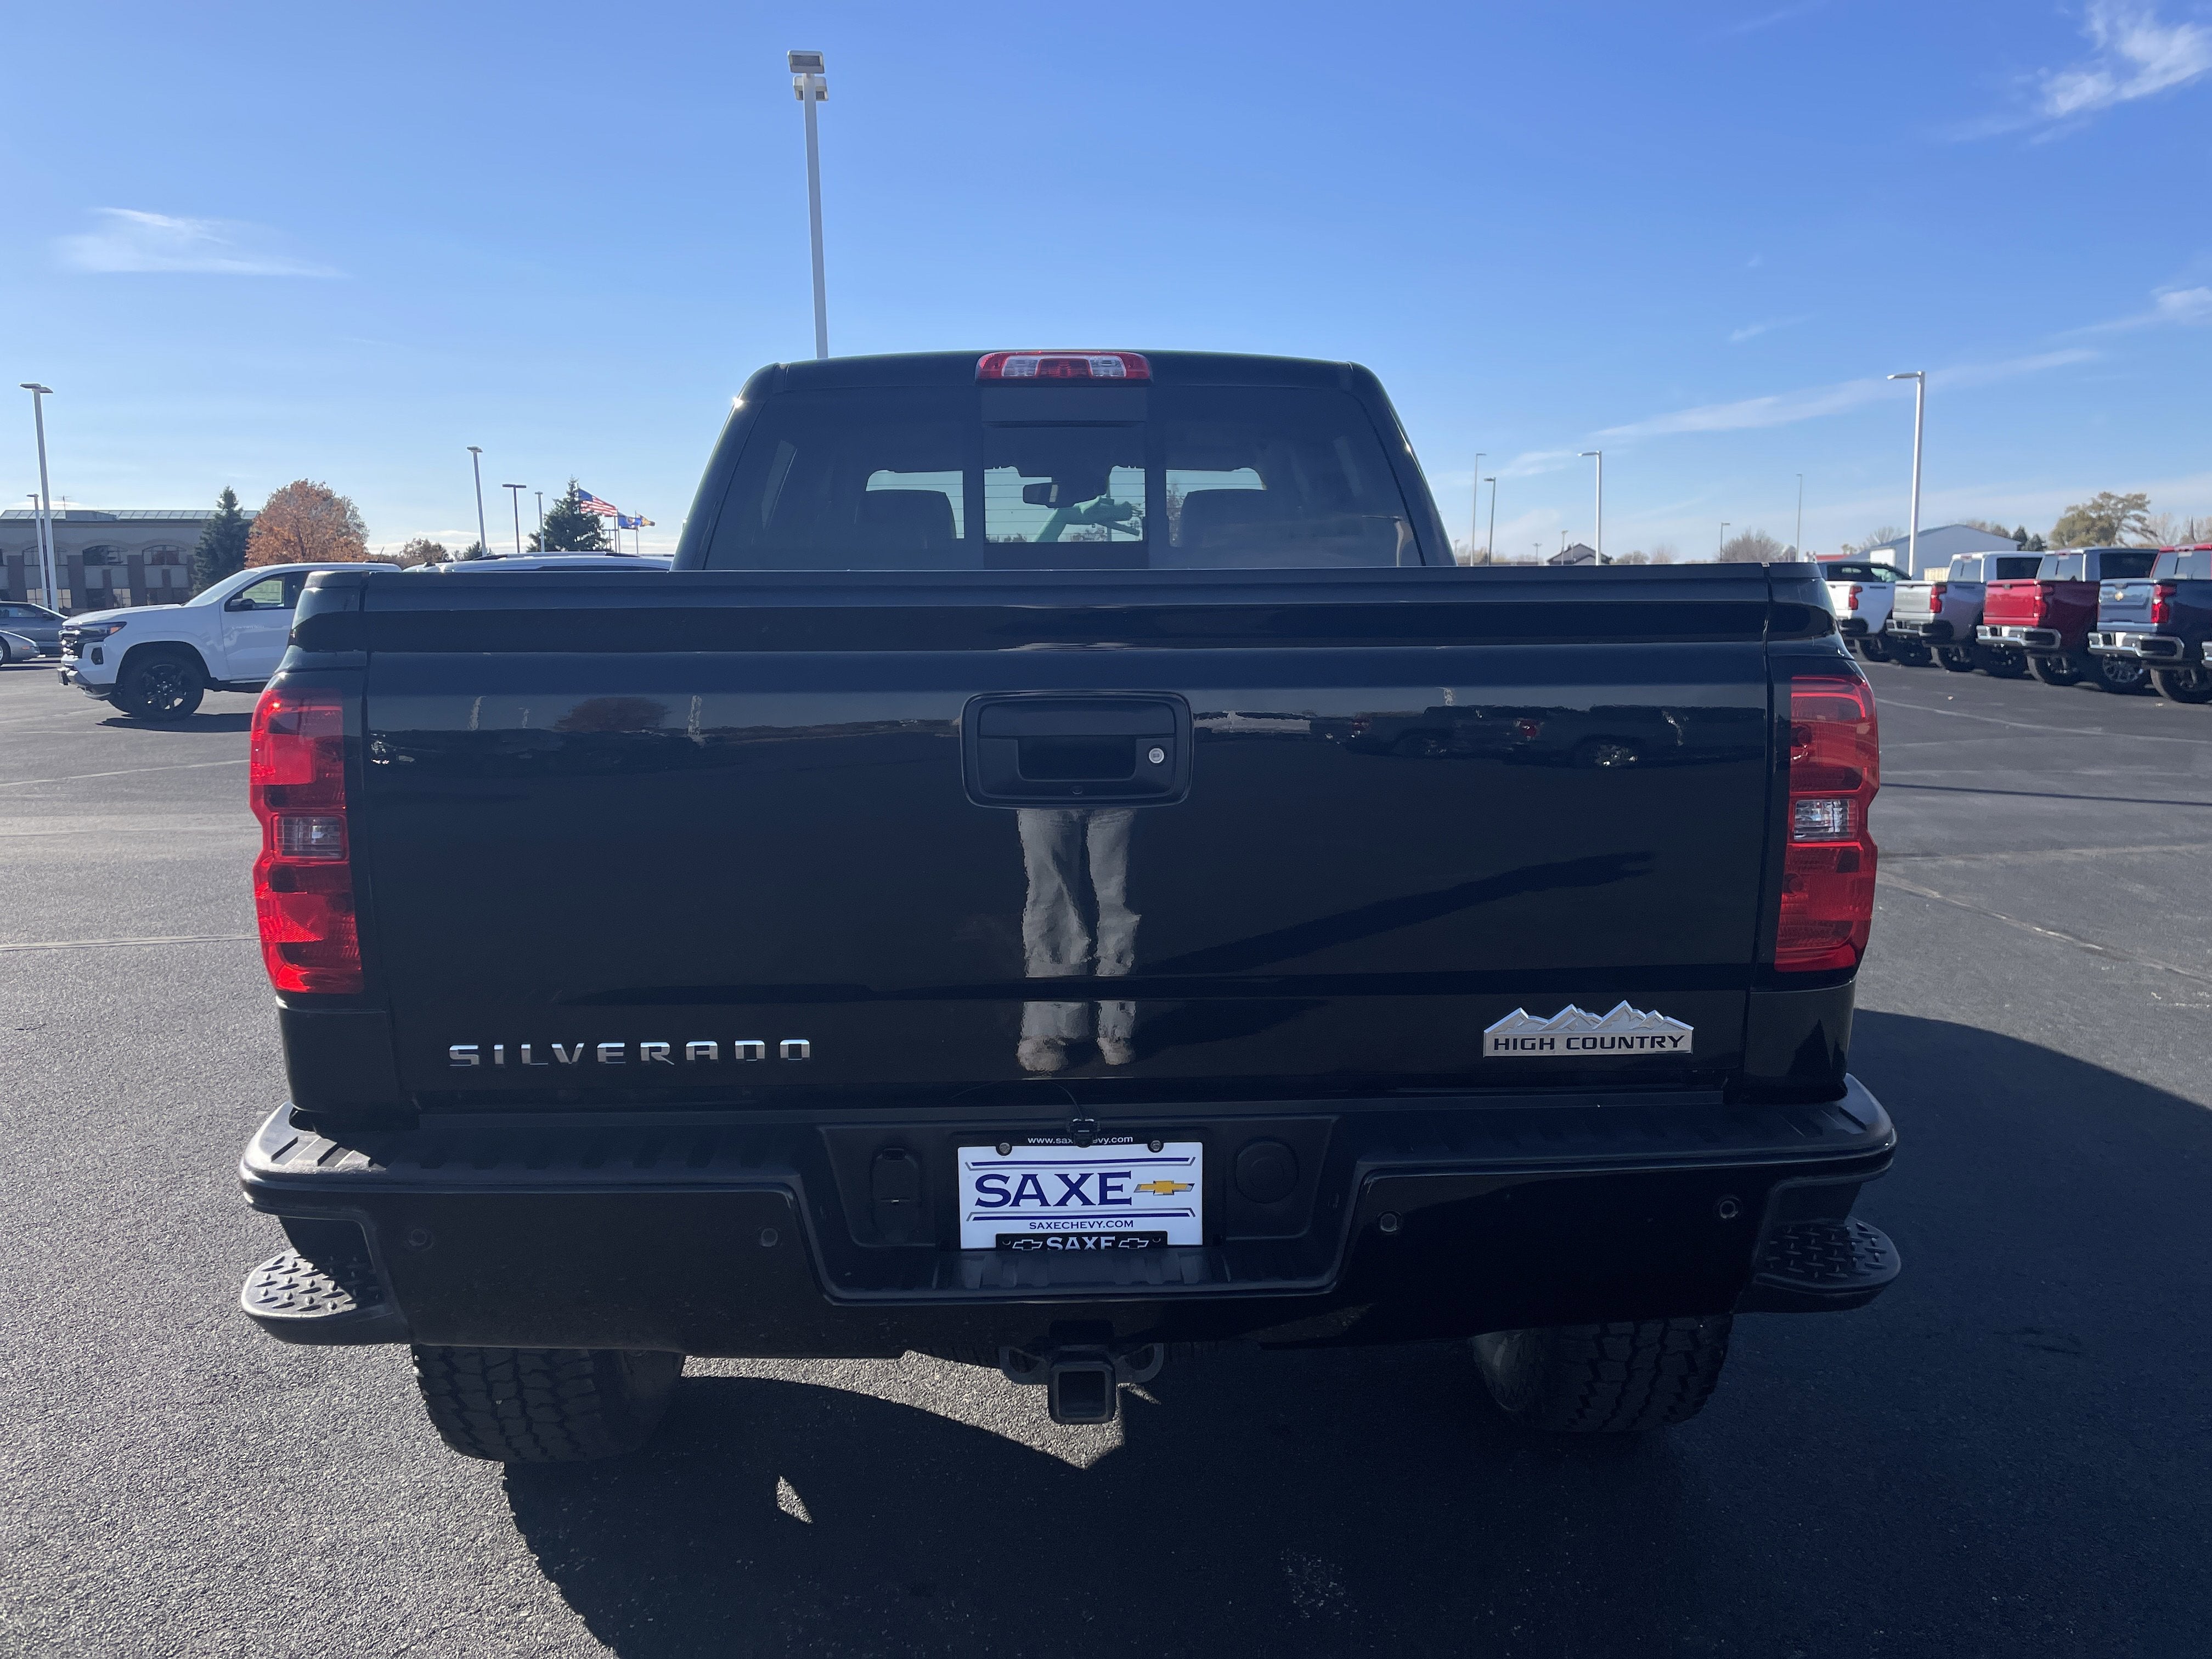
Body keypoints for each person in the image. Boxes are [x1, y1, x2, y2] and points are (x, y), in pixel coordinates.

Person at [1015, 806, 1138, 1071]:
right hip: (1043, 787)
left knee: (1119, 899)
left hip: (1120, 785)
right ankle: (1051, 1026)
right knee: (1050, 899)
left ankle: (1116, 1024)